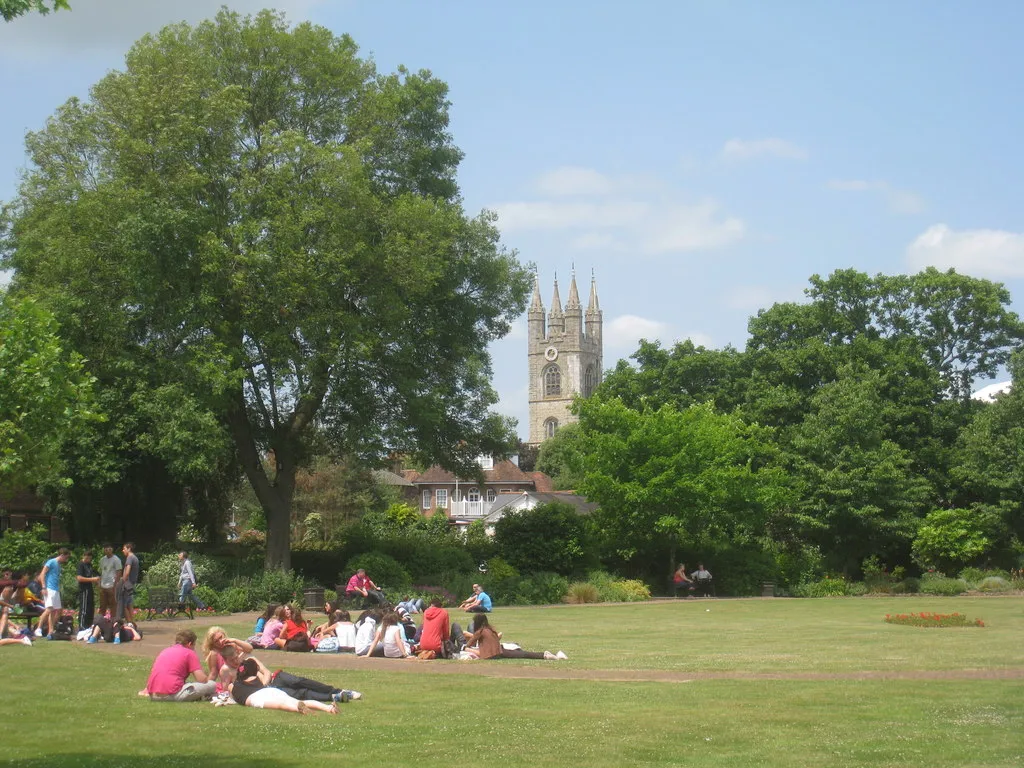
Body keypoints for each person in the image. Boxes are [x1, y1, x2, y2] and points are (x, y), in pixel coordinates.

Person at [230, 658, 346, 714]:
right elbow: (263, 677)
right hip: (270, 691)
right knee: (299, 700)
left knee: (281, 705)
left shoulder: (235, 685)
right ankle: (328, 708)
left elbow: (232, 694)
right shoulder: (255, 678)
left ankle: (299, 710)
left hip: (256, 698)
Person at [140, 629, 217, 702]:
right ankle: (202, 696)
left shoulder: (165, 650)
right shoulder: (189, 653)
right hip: (172, 695)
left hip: (153, 695)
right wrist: (206, 676)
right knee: (212, 685)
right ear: (190, 644)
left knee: (189, 684)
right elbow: (202, 680)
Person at [463, 614, 566, 660]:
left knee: (466, 648)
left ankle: (547, 655)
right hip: (499, 652)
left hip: (489, 656)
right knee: (523, 654)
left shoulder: (480, 631)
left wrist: (465, 646)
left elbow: (469, 644)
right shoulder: (491, 629)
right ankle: (544, 655)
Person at [36, 547, 71, 638]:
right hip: (49, 589)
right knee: (49, 609)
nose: (66, 560)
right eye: (66, 557)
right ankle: (38, 628)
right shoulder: (51, 562)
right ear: (62, 555)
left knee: (55, 610)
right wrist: (44, 587)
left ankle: (50, 631)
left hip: (55, 589)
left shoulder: (58, 565)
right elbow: (42, 574)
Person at [115, 542, 139, 622]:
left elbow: (127, 571)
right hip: (131, 584)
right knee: (129, 604)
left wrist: (122, 581)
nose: (123, 550)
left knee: (124, 605)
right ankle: (132, 622)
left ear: (129, 549)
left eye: (124, 548)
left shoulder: (130, 558)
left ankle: (130, 623)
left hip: (127, 585)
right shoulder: (135, 558)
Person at [76, 550, 101, 629]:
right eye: (86, 558)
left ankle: (89, 625)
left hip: (90, 588)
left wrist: (97, 582)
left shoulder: (89, 565)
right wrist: (92, 579)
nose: (87, 560)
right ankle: (82, 626)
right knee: (84, 608)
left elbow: (96, 575)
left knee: (90, 607)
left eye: (89, 558)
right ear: (83, 556)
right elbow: (79, 578)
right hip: (83, 589)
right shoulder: (81, 565)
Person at [97, 544, 121, 619]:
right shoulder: (102, 560)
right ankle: (100, 622)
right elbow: (101, 572)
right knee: (102, 605)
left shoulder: (116, 559)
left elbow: (119, 572)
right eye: (106, 549)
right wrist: (99, 584)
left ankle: (113, 621)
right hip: (103, 585)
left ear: (112, 549)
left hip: (111, 585)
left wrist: (115, 584)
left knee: (113, 605)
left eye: (109, 549)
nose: (107, 550)